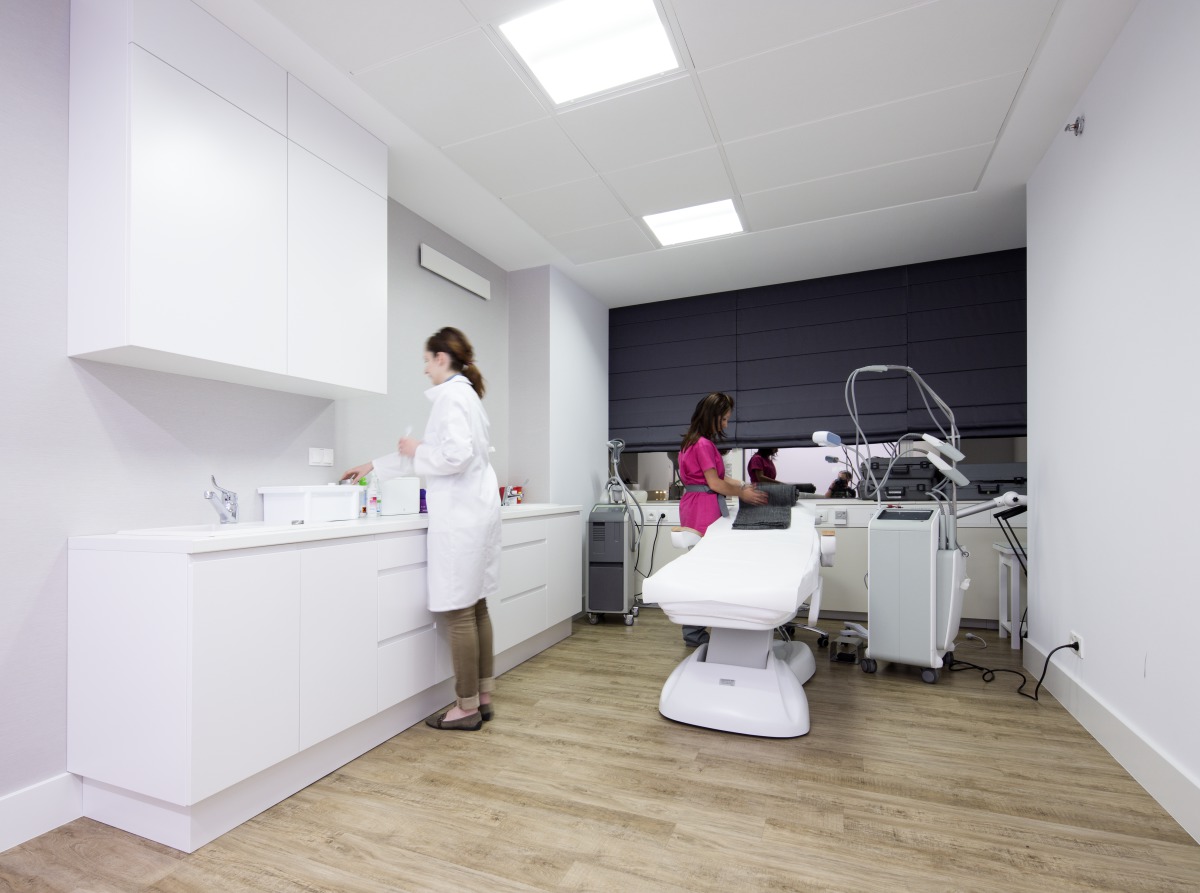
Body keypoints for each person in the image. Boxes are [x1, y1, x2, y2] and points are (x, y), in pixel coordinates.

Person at [343, 327, 501, 732]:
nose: (425, 369)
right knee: (477, 606)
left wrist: (417, 449)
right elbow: (444, 454)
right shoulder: (467, 396)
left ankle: (465, 708)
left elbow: (455, 456)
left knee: (460, 612)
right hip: (477, 511)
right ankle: (482, 697)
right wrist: (374, 464)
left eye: (427, 360)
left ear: (441, 358)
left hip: (462, 516)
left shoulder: (451, 397)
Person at [677, 392, 768, 647]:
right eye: (725, 419)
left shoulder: (690, 442)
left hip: (693, 504)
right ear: (713, 416)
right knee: (706, 570)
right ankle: (694, 632)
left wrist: (742, 485)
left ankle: (697, 629)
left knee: (701, 568)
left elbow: (717, 478)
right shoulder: (704, 445)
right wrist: (743, 494)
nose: (726, 424)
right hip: (704, 507)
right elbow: (715, 483)